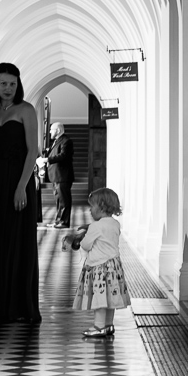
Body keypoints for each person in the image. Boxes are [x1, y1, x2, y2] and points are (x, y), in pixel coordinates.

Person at [0, 63, 42, 323]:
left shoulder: (26, 110)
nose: (8, 88)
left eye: (13, 84)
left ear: (18, 85)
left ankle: (20, 306)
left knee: (20, 241)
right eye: (4, 83)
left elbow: (33, 151)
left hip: (20, 180)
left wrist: (21, 187)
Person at [65, 187, 130, 338]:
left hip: (99, 268)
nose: (90, 210)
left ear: (101, 206)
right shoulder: (115, 224)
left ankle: (99, 326)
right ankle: (109, 325)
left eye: (92, 206)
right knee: (111, 297)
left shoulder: (96, 226)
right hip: (114, 268)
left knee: (99, 298)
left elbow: (86, 245)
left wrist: (82, 237)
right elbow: (105, 233)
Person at [46, 122, 74, 227]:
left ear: (58, 130)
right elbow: (53, 152)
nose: (50, 132)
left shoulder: (67, 141)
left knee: (64, 200)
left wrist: (47, 159)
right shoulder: (57, 141)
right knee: (58, 201)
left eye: (51, 129)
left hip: (63, 176)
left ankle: (64, 222)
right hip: (56, 176)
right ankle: (58, 221)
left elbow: (63, 156)